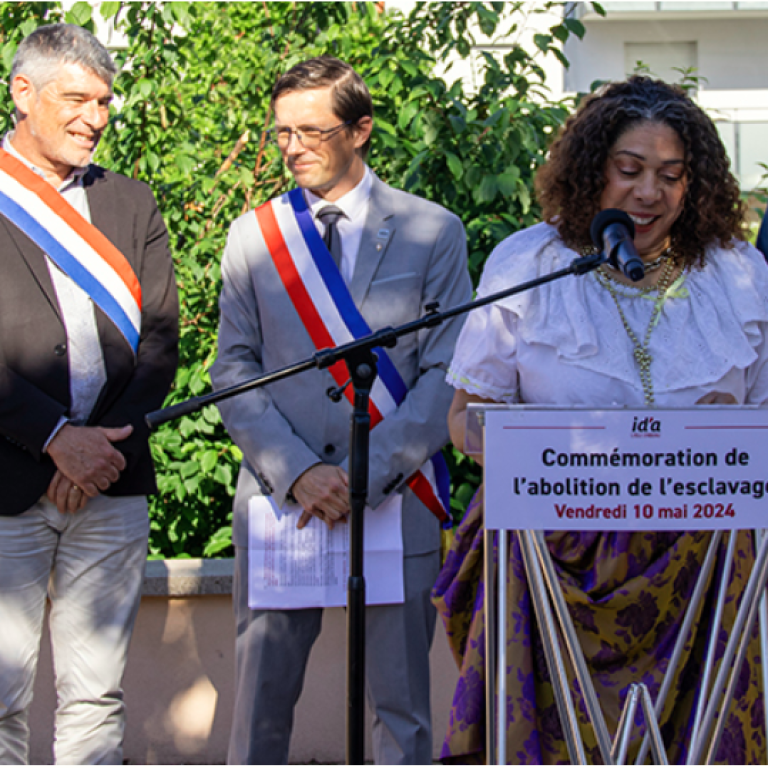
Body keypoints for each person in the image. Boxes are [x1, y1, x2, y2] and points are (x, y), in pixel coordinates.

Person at [433, 75, 768, 765]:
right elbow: (465, 423)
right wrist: (548, 447)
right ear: (593, 172)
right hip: (549, 559)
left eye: (670, 176)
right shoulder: (530, 264)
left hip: (701, 568)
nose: (649, 193)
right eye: (630, 170)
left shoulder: (736, 274)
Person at [211, 55, 471, 764]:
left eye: (311, 131)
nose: (292, 147)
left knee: (401, 713)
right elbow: (231, 368)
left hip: (394, 491)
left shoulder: (433, 230)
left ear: (360, 130)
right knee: (262, 705)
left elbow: (450, 368)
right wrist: (297, 471)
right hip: (282, 499)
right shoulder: (253, 237)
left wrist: (366, 469)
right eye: (282, 132)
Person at [0, 24, 178, 765]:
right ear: (21, 94)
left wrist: (94, 450)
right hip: (7, 481)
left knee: (96, 694)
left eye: (104, 102)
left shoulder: (132, 203)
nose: (94, 118)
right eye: (76, 99)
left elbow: (161, 343)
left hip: (110, 481)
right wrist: (54, 441)